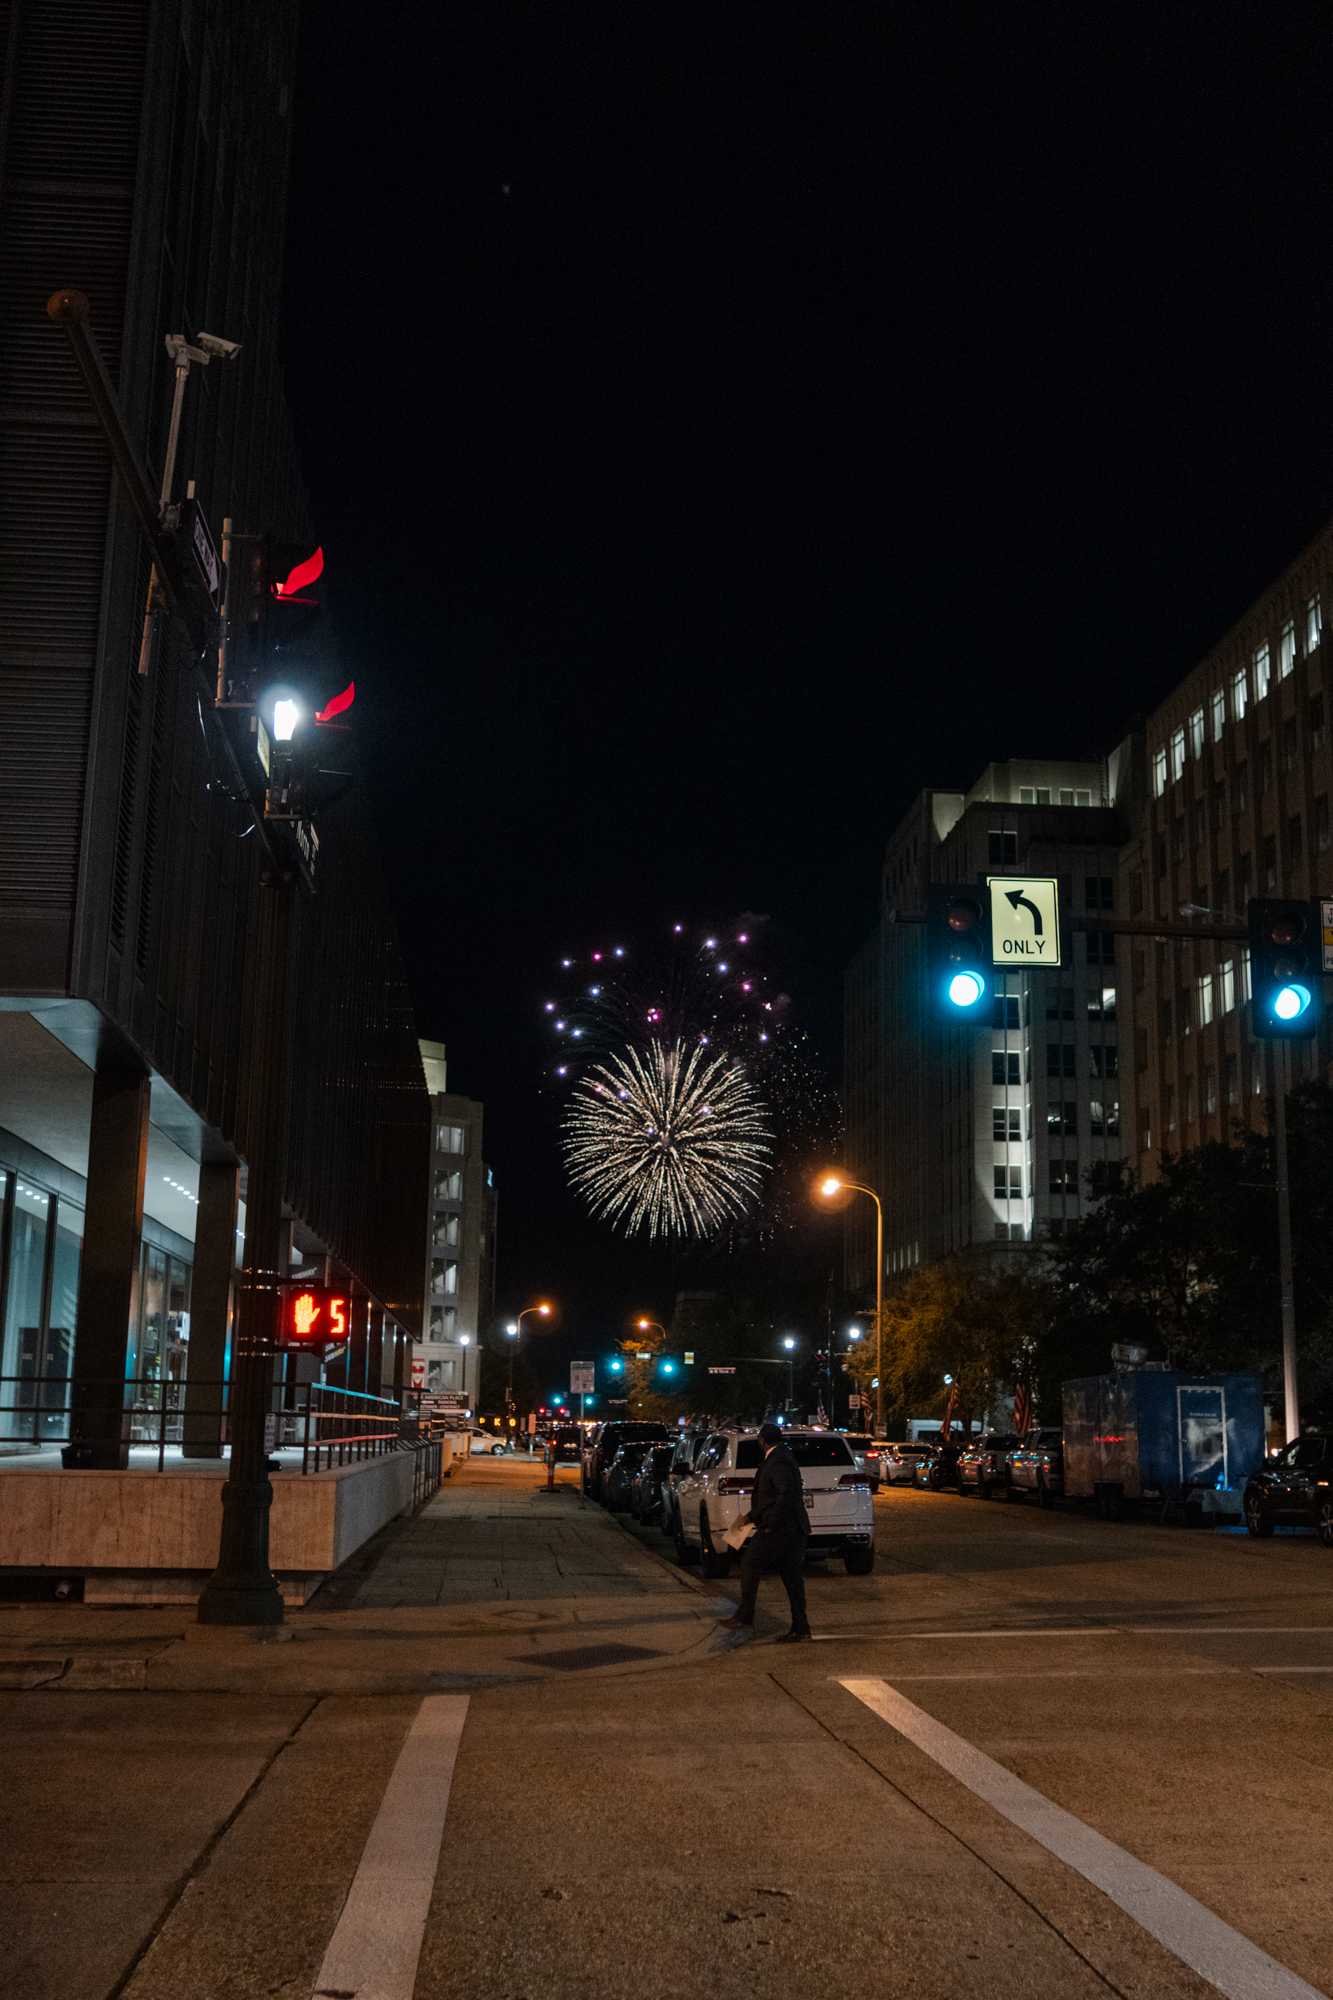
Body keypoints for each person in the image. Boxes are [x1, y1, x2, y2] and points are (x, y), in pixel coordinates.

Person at [719, 1422, 811, 1641]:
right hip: (789, 1528)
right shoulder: (781, 1457)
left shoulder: (778, 1460)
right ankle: (800, 1627)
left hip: (780, 1528)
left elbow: (784, 1493)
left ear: (762, 1440)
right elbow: (772, 1497)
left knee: (750, 1564)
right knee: (792, 1578)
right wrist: (751, 1517)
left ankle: (745, 1616)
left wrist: (771, 1522)